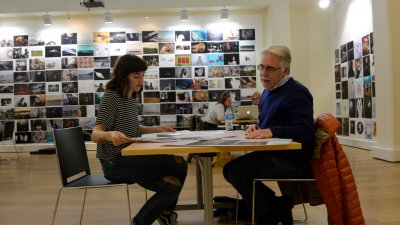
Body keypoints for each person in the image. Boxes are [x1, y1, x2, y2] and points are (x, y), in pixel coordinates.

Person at [91, 54, 187, 225]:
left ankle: (162, 214)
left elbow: (134, 130)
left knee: (172, 186)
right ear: (123, 76)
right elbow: (96, 133)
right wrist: (110, 135)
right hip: (114, 163)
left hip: (130, 157)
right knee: (178, 163)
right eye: (136, 76)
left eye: (142, 75)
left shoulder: (132, 97)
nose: (141, 80)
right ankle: (157, 216)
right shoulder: (112, 97)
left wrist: (158, 129)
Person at [223, 45, 315, 225]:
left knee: (236, 172)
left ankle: (267, 213)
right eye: (261, 67)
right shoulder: (268, 91)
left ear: (285, 70)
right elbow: (267, 122)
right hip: (274, 152)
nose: (263, 73)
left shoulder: (297, 92)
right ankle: (275, 206)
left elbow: (305, 131)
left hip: (293, 159)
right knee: (230, 169)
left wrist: (271, 131)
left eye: (270, 68)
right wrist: (256, 127)